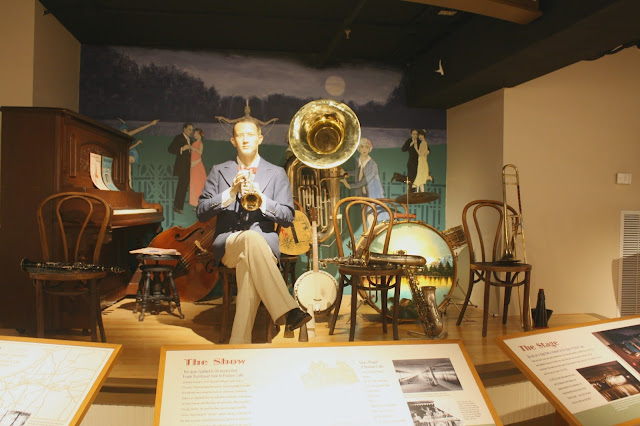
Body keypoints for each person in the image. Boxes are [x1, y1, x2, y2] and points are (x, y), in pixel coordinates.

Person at [196, 119, 311, 344]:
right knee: (249, 237)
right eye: (240, 135)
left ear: (260, 138)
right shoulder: (219, 171)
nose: (246, 139)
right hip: (228, 244)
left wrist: (263, 201)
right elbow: (201, 212)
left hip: (263, 249)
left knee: (248, 268)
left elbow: (287, 218)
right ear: (233, 141)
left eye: (250, 134)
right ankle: (288, 309)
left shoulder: (277, 173)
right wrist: (229, 193)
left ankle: (238, 344)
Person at [341, 137, 390, 222]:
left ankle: (372, 234)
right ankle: (368, 234)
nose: (364, 149)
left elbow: (365, 180)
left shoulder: (373, 164)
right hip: (362, 194)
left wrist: (349, 185)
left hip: (373, 194)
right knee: (365, 216)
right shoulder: (357, 161)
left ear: (369, 149)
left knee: (372, 216)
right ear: (359, 148)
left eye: (367, 147)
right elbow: (356, 172)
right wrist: (345, 173)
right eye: (362, 147)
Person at [168, 122, 194, 214]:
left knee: (185, 186)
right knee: (181, 186)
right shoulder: (179, 138)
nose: (191, 131)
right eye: (189, 129)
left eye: (192, 130)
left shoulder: (191, 140)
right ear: (184, 129)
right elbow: (170, 149)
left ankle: (179, 206)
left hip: (190, 166)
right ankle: (177, 207)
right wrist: (182, 149)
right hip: (182, 166)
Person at [189, 128, 208, 208]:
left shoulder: (200, 143)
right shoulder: (193, 143)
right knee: (193, 184)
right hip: (193, 166)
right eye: (194, 133)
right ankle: (195, 204)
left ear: (200, 135)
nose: (195, 135)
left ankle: (200, 204)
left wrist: (191, 147)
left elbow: (200, 152)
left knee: (199, 184)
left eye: (196, 133)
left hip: (198, 166)